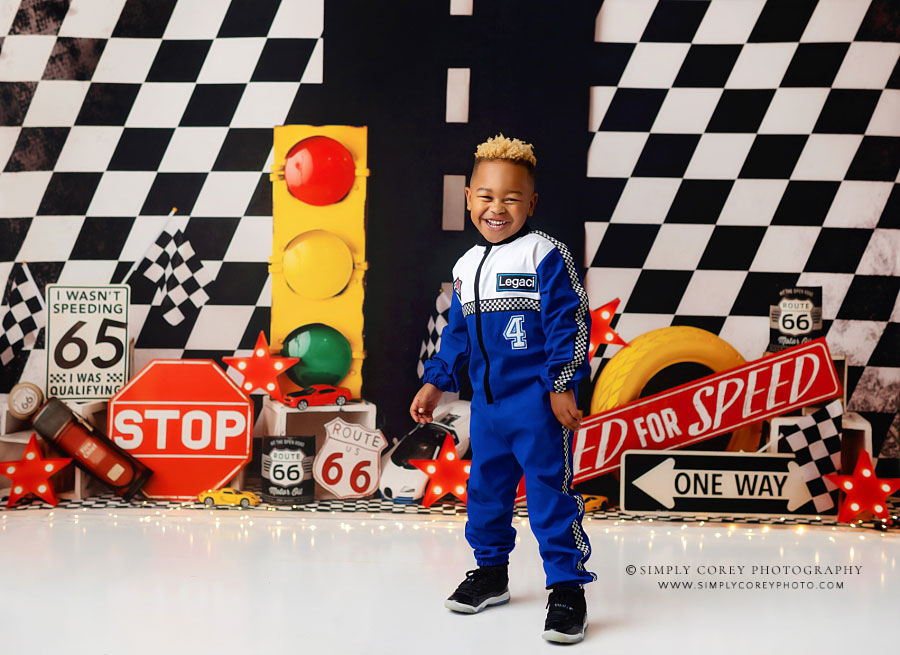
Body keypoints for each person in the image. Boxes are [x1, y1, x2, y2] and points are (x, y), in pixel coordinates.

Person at [409, 134, 595, 644]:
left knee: (549, 498)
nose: (497, 208)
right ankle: (491, 574)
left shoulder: (546, 255)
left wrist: (561, 386)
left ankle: (567, 591)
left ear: (530, 203)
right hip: (486, 411)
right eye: (486, 196)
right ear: (468, 198)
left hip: (535, 408)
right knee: (485, 496)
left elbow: (571, 324)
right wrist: (434, 383)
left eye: (511, 199)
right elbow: (458, 337)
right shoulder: (466, 267)